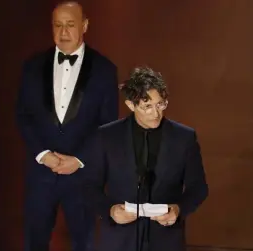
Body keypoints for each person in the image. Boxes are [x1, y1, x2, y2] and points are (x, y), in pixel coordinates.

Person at [16, 1, 119, 250]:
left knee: (84, 243)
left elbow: (108, 125)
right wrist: (43, 155)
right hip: (41, 174)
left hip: (82, 176)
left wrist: (79, 160)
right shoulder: (32, 67)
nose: (63, 32)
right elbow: (22, 115)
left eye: (70, 25)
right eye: (58, 25)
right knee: (34, 242)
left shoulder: (105, 70)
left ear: (84, 25)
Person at [84, 66, 209, 251]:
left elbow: (198, 188)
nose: (156, 113)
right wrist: (110, 211)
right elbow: (88, 186)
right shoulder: (106, 136)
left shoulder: (184, 137)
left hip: (166, 240)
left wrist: (178, 209)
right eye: (147, 106)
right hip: (118, 240)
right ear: (130, 105)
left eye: (160, 104)